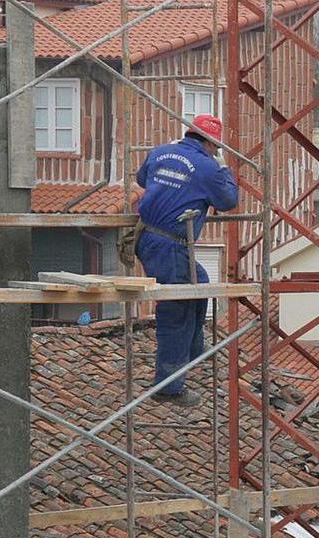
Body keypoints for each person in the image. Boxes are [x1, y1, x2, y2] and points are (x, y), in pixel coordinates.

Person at [135, 114, 238, 406]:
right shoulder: (208, 166)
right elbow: (228, 202)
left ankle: (193, 348)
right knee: (176, 311)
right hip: (171, 244)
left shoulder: (159, 153)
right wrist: (226, 173)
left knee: (200, 283)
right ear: (209, 143)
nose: (215, 152)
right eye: (215, 148)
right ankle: (169, 386)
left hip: (149, 239)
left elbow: (143, 179)